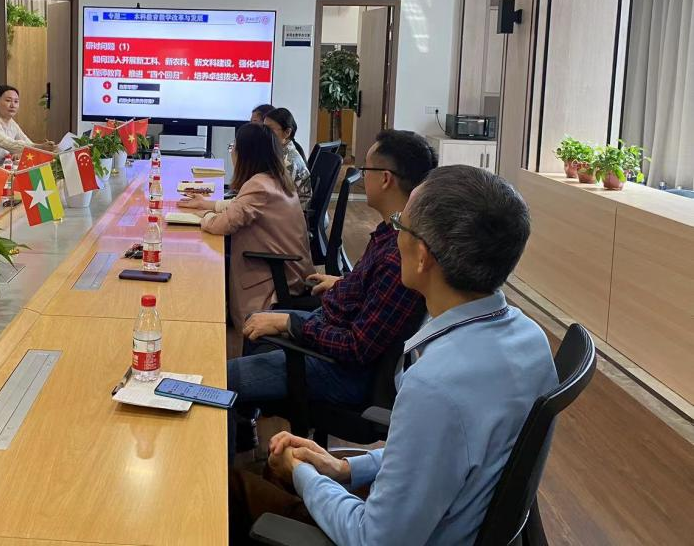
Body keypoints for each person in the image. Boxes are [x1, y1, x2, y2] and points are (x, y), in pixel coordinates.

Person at [229, 165, 558, 546]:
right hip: (449, 521)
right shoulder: (531, 340)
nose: (393, 234)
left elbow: (373, 539)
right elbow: (437, 456)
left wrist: (303, 475)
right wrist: (344, 468)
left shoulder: (435, 386)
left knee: (232, 486)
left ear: (422, 257)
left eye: (401, 224)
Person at [225, 130, 435, 444]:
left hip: (341, 371)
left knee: (220, 381)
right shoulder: (392, 233)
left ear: (386, 179)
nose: (363, 177)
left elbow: (357, 347)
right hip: (331, 331)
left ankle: (225, 465)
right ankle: (245, 429)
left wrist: (291, 324)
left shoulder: (398, 254)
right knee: (256, 328)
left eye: (366, 170)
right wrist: (343, 283)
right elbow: (373, 296)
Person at [179, 123, 314, 357]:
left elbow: (224, 224)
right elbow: (240, 205)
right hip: (290, 270)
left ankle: (199, 344)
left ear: (247, 154)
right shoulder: (275, 179)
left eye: (233, 147)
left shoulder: (259, 185)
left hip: (276, 278)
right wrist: (208, 204)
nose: (232, 152)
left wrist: (203, 216)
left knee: (205, 262)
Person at [0, 84, 57, 163]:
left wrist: (51, 147)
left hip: (3, 166)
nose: (13, 105)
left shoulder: (12, 123)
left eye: (16, 101)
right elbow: (8, 144)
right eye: (8, 100)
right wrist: (39, 147)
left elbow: (27, 142)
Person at [263, 108, 311, 211]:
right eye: (264, 128)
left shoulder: (287, 161)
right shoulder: (283, 151)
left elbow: (272, 196)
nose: (264, 133)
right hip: (288, 208)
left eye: (269, 129)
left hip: (294, 213)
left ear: (287, 132)